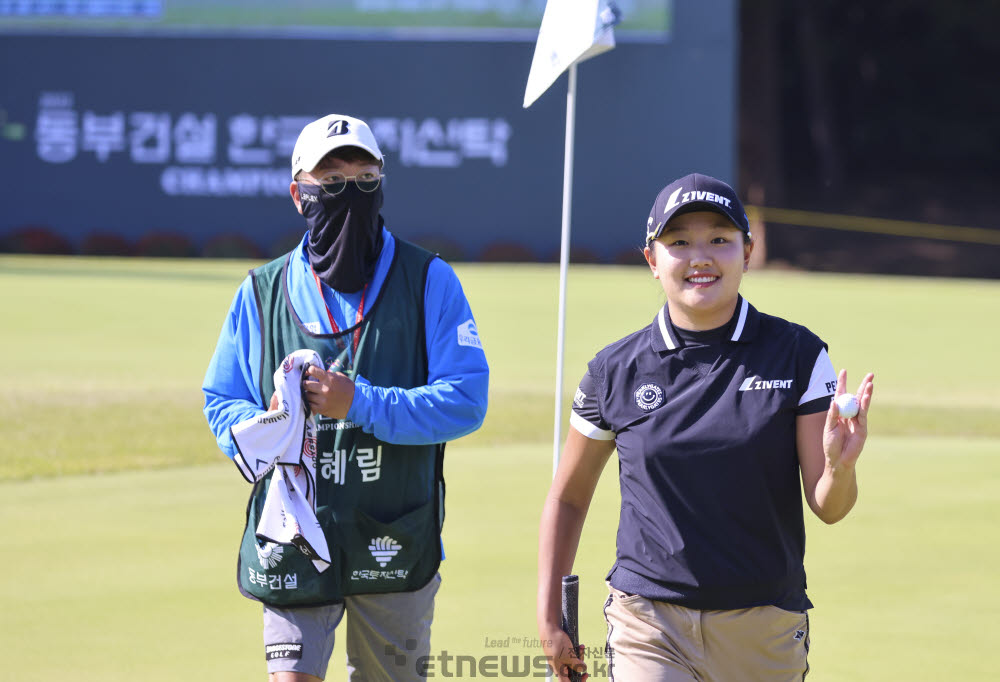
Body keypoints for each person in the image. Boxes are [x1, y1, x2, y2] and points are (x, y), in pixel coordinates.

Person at [536, 173, 874, 681]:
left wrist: (839, 468)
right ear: (653, 260)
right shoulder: (614, 370)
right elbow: (568, 497)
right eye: (679, 242)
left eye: (719, 239)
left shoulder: (799, 354)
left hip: (763, 625)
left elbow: (828, 505)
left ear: (748, 251)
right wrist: (550, 618)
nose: (700, 257)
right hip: (648, 623)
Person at [203, 114, 489, 681]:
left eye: (364, 179)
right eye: (330, 183)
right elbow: (221, 402)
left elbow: (465, 400)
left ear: (382, 183)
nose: (348, 194)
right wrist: (271, 422)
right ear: (298, 194)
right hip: (292, 533)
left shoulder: (429, 279)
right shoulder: (260, 292)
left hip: (395, 534)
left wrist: (359, 403)